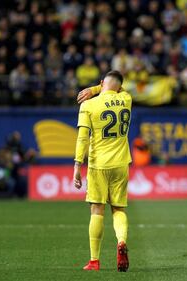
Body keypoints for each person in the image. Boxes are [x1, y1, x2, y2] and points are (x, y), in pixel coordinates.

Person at [74, 70, 131, 272]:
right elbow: (120, 87)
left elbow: (82, 138)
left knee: (97, 210)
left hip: (98, 165)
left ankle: (94, 261)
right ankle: (121, 241)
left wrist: (77, 166)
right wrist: (99, 88)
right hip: (121, 163)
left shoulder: (88, 105)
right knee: (118, 209)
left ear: (101, 83)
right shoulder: (126, 99)